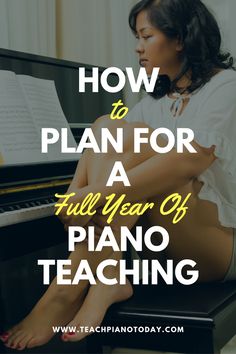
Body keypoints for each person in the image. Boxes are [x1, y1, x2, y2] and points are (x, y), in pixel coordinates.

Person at [1, 0, 236, 350]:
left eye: (146, 35)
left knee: (145, 142)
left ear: (180, 39)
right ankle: (103, 274)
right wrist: (75, 193)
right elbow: (104, 140)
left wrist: (93, 194)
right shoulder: (154, 101)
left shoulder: (225, 85)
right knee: (107, 124)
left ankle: (67, 286)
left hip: (216, 247)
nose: (138, 47)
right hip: (159, 247)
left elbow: (187, 161)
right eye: (136, 37)